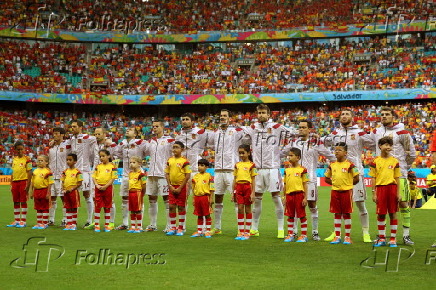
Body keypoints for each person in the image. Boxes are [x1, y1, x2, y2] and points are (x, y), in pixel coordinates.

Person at [242, 104, 293, 238]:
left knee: (276, 198)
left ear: (269, 115)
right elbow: (245, 141)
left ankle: (281, 229)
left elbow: (291, 137)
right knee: (257, 199)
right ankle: (254, 228)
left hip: (272, 168)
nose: (261, 115)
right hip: (258, 169)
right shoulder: (253, 128)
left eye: (264, 113)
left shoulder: (276, 127)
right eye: (259, 113)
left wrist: (281, 153)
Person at [325, 109, 374, 243]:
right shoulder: (335, 133)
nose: (344, 116)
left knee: (360, 204)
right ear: (339, 118)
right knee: (338, 206)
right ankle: (337, 233)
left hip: (355, 173)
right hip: (339, 174)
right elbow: (323, 145)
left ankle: (366, 232)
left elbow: (374, 144)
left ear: (352, 117)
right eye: (342, 114)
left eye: (347, 114)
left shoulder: (359, 133)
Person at [370, 107, 416, 245]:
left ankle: (406, 235)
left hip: (399, 174)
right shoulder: (376, 132)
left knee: (402, 203)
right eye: (382, 114)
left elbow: (411, 154)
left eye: (387, 114)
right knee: (382, 206)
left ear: (393, 116)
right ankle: (382, 236)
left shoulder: (402, 133)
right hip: (382, 176)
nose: (384, 116)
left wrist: (404, 168)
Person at [283, 120, 335, 241]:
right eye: (299, 127)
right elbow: (283, 153)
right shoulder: (293, 142)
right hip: (295, 179)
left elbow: (329, 155)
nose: (301, 129)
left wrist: (341, 162)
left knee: (312, 205)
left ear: (309, 129)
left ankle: (315, 232)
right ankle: (294, 232)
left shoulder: (316, 143)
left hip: (310, 179)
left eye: (303, 127)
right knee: (295, 206)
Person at [208, 109, 245, 235]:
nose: (222, 118)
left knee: (236, 199)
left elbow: (246, 134)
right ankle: (217, 227)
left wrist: (238, 126)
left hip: (231, 170)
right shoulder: (215, 133)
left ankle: (241, 229)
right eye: (221, 116)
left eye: (225, 116)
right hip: (218, 170)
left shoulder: (235, 132)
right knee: (218, 198)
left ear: (229, 118)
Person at [324, 142, 359, 245]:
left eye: (339, 150)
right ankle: (337, 236)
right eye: (336, 150)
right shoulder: (332, 165)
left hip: (347, 192)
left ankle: (347, 237)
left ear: (345, 153)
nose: (337, 152)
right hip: (335, 192)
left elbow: (356, 178)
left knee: (347, 214)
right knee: (337, 214)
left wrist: (348, 185)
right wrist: (334, 184)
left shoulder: (350, 165)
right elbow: (326, 178)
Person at [369, 136, 401, 247]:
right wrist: (374, 192)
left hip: (392, 188)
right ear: (380, 146)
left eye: (390, 145)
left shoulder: (395, 161)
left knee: (393, 213)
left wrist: (398, 193)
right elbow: (373, 177)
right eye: (386, 145)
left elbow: (397, 178)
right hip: (380, 189)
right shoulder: (375, 161)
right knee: (381, 214)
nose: (388, 147)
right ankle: (382, 238)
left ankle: (393, 239)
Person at [114, 126, 147, 230]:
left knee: (139, 199)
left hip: (137, 173)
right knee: (124, 198)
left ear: (135, 134)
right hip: (125, 174)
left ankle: (139, 224)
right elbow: (116, 153)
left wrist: (140, 159)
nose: (127, 130)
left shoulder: (140, 142)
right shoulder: (122, 143)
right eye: (127, 129)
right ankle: (125, 223)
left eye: (130, 130)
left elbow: (147, 152)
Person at [144, 120, 175, 232]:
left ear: (162, 127)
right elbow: (145, 153)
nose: (155, 128)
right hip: (151, 173)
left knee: (167, 199)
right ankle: (152, 225)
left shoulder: (169, 140)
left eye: (157, 126)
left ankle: (170, 225)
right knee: (152, 199)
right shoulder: (150, 141)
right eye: (153, 126)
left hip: (163, 174)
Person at [68, 120, 97, 228]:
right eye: (71, 126)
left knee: (86, 195)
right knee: (71, 195)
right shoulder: (71, 139)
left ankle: (89, 220)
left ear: (80, 127)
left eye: (74, 126)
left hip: (84, 171)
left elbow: (96, 139)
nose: (72, 128)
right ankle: (71, 220)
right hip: (73, 172)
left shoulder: (87, 138)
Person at [92, 127, 117, 230]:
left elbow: (116, 154)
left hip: (108, 177)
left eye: (99, 134)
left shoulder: (110, 145)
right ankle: (95, 222)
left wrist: (112, 144)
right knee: (95, 201)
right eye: (95, 134)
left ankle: (110, 223)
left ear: (104, 134)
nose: (97, 136)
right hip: (97, 174)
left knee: (110, 202)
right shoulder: (93, 144)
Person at [164, 141, 192, 236]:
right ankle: (172, 227)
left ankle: (180, 228)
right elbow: (167, 173)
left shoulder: (185, 161)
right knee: (171, 206)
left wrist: (180, 187)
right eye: (173, 147)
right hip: (172, 187)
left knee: (181, 207)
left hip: (182, 187)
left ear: (182, 149)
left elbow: (188, 175)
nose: (174, 149)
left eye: (177, 147)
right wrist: (170, 185)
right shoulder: (170, 160)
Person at [283, 147, 309, 243]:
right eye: (288, 155)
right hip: (289, 195)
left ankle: (304, 235)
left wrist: (305, 197)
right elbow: (285, 184)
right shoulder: (286, 170)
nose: (289, 157)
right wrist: (284, 196)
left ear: (298, 157)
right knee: (290, 215)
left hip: (299, 195)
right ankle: (290, 234)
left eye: (291, 155)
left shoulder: (303, 170)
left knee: (301, 215)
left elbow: (305, 184)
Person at [233, 144, 257, 240]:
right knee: (239, 208)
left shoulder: (252, 165)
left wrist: (253, 192)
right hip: (238, 187)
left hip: (247, 187)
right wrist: (232, 191)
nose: (241, 155)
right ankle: (240, 231)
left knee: (247, 209)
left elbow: (253, 179)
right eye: (240, 153)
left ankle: (247, 232)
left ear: (248, 153)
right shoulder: (237, 165)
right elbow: (234, 179)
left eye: (243, 153)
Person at [47, 127, 70, 226]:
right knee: (52, 198)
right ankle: (51, 219)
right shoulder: (51, 147)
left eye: (57, 133)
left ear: (62, 135)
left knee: (63, 198)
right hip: (52, 175)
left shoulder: (67, 145)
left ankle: (65, 219)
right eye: (54, 134)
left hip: (63, 176)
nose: (54, 135)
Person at [7, 141, 32, 228]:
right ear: (15, 150)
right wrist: (11, 183)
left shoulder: (27, 159)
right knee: (16, 201)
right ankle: (17, 220)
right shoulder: (14, 159)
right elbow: (13, 172)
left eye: (22, 149)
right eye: (18, 150)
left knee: (23, 201)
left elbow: (29, 172)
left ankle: (23, 221)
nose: (20, 151)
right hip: (15, 182)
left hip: (23, 181)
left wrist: (28, 185)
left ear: (24, 149)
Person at [190, 159, 214, 238]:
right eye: (199, 165)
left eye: (202, 165)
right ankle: (199, 231)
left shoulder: (209, 176)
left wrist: (211, 198)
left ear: (206, 167)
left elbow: (212, 188)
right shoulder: (195, 176)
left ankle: (208, 231)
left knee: (207, 214)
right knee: (199, 215)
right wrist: (193, 198)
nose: (199, 167)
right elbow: (193, 188)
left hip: (205, 197)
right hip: (197, 197)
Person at [30, 155, 54, 229]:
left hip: (44, 190)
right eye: (38, 160)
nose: (39, 162)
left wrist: (48, 193)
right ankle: (39, 223)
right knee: (38, 208)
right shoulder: (35, 171)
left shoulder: (48, 172)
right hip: (36, 191)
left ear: (46, 162)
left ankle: (45, 223)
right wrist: (31, 192)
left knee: (44, 207)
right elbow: (32, 182)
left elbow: (50, 183)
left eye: (41, 160)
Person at [61, 153, 83, 231]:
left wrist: (72, 188)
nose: (68, 161)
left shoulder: (78, 172)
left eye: (70, 160)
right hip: (66, 192)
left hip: (74, 192)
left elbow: (79, 183)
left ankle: (73, 224)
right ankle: (68, 223)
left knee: (74, 207)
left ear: (75, 161)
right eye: (67, 160)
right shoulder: (65, 171)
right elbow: (63, 181)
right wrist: (63, 188)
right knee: (67, 207)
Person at [127, 156, 147, 233]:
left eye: (133, 162)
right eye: (130, 162)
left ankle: (139, 227)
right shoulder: (130, 173)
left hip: (137, 192)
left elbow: (144, 185)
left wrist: (142, 193)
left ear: (139, 164)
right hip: (130, 192)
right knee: (132, 210)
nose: (131, 164)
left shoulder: (141, 174)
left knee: (138, 210)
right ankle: (132, 226)